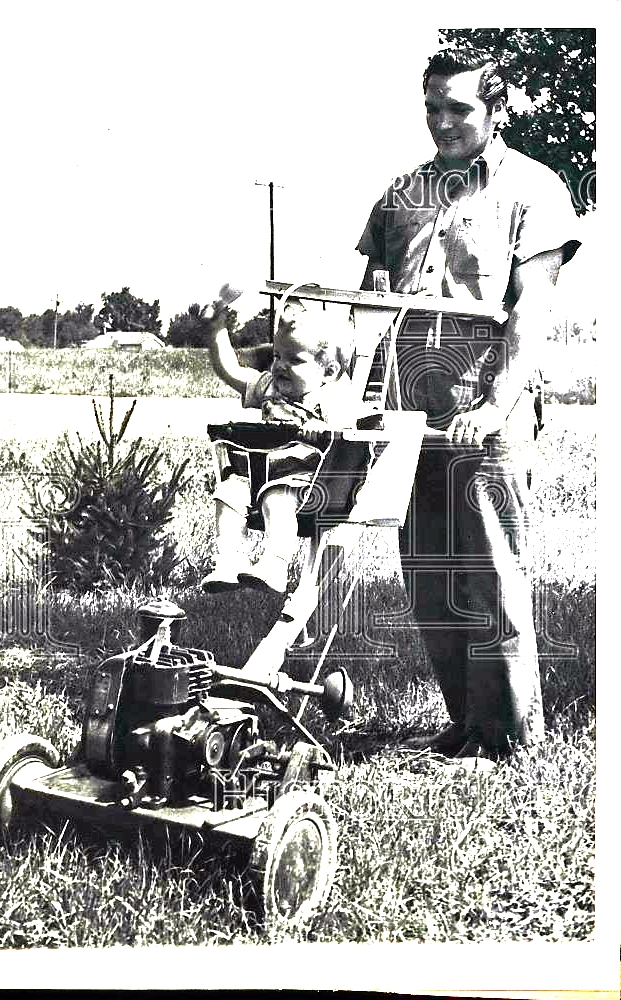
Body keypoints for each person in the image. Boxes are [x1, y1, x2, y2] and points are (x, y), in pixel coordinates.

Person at [356, 46, 582, 760]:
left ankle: (511, 740)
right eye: (432, 108)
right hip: (407, 415)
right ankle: (465, 726)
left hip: (486, 408)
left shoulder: (535, 190)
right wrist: (356, 397)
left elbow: (530, 315)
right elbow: (370, 306)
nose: (442, 123)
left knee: (491, 574)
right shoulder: (401, 192)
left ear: (497, 109)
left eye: (459, 108)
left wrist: (496, 403)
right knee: (427, 575)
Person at [200, 285, 366, 595]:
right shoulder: (270, 387)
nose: (280, 365)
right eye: (277, 355)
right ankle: (230, 559)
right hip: (258, 473)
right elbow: (230, 370)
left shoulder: (329, 397)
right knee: (228, 493)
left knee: (277, 496)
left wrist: (324, 426)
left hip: (307, 483)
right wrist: (217, 329)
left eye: (295, 359)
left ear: (328, 371)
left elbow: (351, 427)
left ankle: (275, 563)